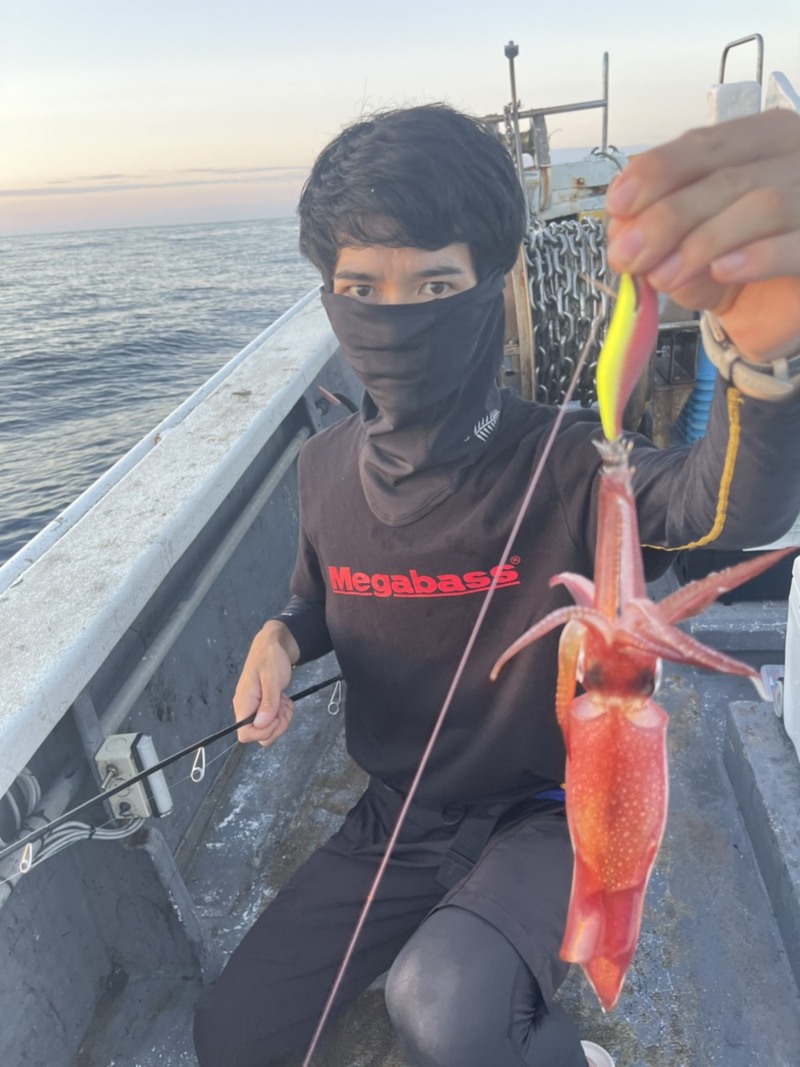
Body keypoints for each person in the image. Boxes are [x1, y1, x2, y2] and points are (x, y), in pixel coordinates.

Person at [193, 103, 800, 1067]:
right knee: (234, 1035)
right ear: (330, 295)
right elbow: (316, 598)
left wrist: (761, 363)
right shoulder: (321, 471)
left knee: (441, 1004)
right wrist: (280, 637)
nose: (396, 313)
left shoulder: (570, 462)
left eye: (435, 282)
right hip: (397, 816)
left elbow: (718, 512)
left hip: (552, 808)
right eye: (361, 286)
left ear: (493, 284)